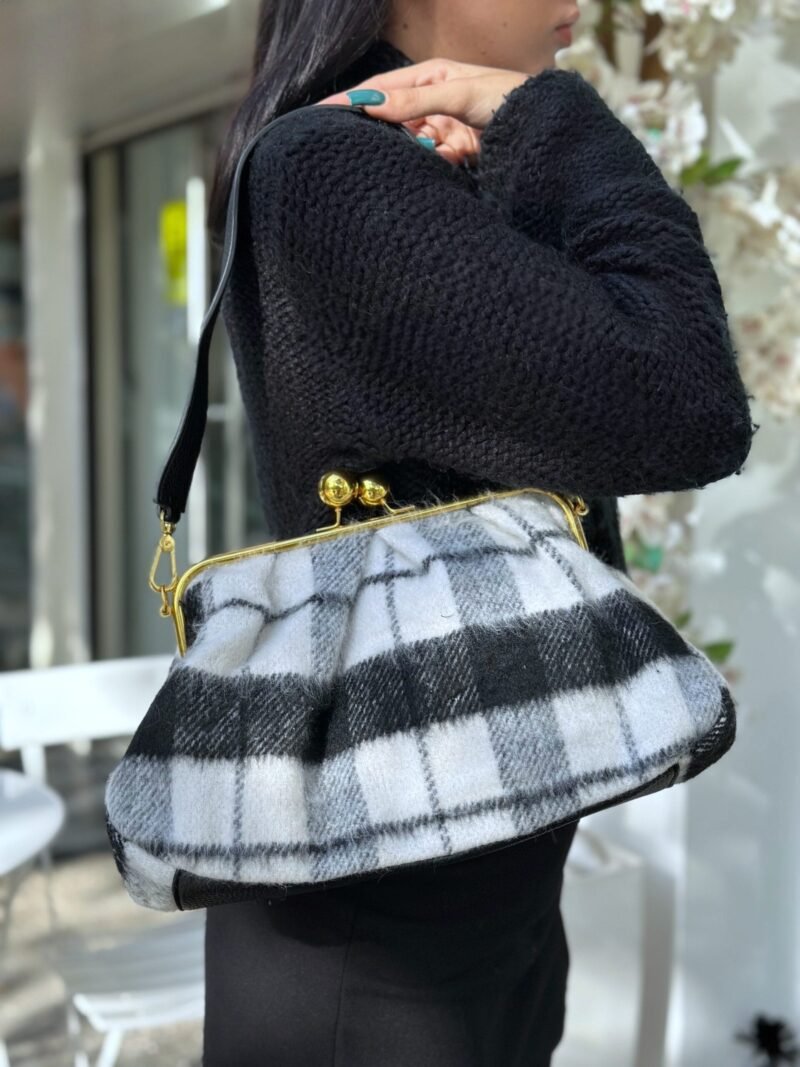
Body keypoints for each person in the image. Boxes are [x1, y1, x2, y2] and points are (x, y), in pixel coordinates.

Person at [201, 1, 755, 1064]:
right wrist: (563, 124)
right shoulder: (331, 165)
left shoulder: (389, 161)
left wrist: (505, 171)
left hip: (461, 856)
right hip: (381, 931)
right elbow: (683, 399)